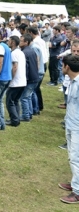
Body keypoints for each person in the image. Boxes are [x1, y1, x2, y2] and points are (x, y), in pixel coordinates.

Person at [59, 54, 79, 204]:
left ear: (68, 67)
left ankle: (77, 192)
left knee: (76, 158)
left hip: (77, 127)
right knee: (72, 157)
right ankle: (74, 183)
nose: (61, 68)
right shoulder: (72, 82)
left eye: (62, 65)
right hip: (71, 123)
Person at [4, 36, 26, 127]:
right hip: (22, 81)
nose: (8, 42)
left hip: (16, 82)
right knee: (15, 101)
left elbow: (15, 67)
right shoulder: (21, 52)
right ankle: (16, 118)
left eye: (9, 41)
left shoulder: (13, 53)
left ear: (12, 42)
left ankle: (14, 120)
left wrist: (11, 79)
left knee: (10, 101)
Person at [19, 34, 40, 122]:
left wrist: (25, 79)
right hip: (35, 77)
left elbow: (26, 68)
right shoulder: (31, 51)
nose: (19, 42)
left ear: (26, 42)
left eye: (21, 41)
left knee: (24, 97)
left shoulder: (24, 52)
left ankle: (26, 115)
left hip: (30, 78)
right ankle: (29, 113)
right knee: (27, 97)